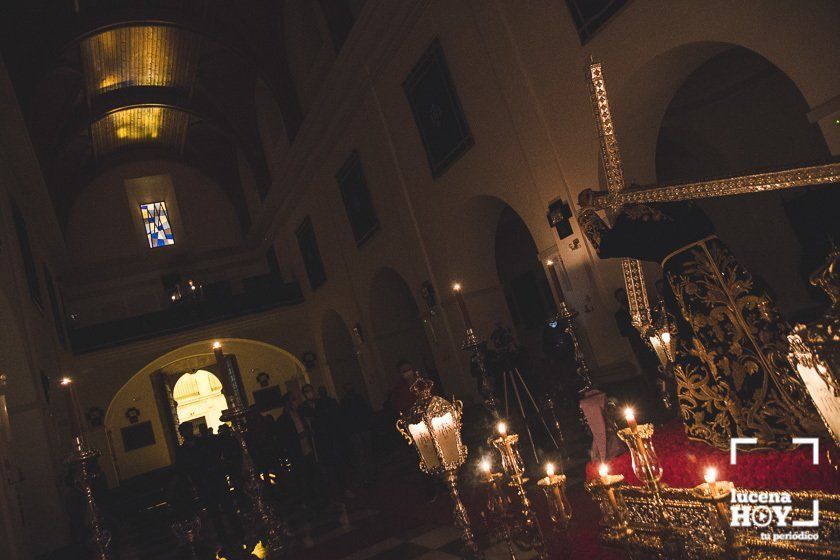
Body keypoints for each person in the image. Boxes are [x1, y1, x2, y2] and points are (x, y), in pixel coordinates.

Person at [577, 189, 822, 450]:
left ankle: (747, 420)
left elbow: (607, 244)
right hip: (727, 268)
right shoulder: (681, 202)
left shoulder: (639, 218)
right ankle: (803, 403)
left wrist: (586, 213)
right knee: (760, 333)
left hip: (692, 281)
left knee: (718, 346)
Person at [341, 383, 373, 485]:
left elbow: (365, 409)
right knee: (360, 453)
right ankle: (365, 476)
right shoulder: (345, 402)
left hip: (363, 427)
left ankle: (371, 473)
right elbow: (345, 417)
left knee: (368, 451)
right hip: (355, 431)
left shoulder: (359, 398)